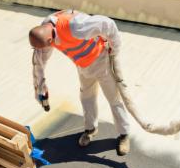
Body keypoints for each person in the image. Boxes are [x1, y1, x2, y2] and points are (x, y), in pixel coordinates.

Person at [29, 9, 131, 156]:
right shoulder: (44, 30)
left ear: (50, 41)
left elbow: (108, 24)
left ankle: (124, 134)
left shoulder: (75, 26)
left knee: (113, 98)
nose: (42, 51)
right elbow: (38, 61)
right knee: (86, 97)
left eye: (44, 48)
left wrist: (115, 51)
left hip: (102, 61)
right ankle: (90, 129)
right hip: (83, 66)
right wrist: (40, 88)